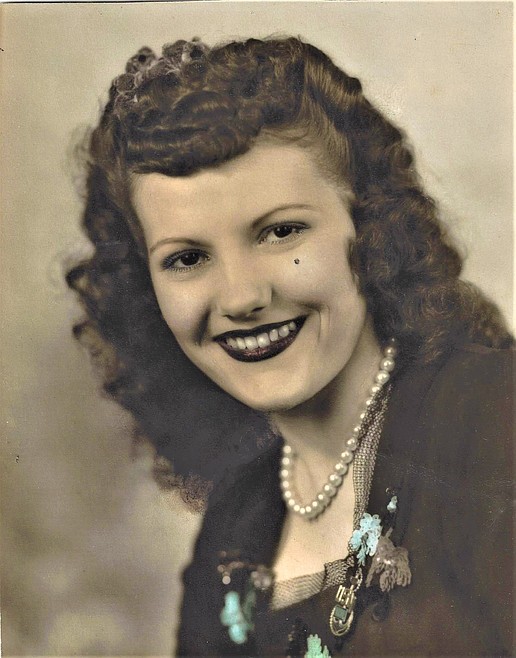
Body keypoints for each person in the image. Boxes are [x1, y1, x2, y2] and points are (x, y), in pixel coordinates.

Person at [67, 37, 513, 656]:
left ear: (369, 227)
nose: (242, 296)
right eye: (187, 259)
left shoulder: (493, 424)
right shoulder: (235, 527)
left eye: (281, 232)